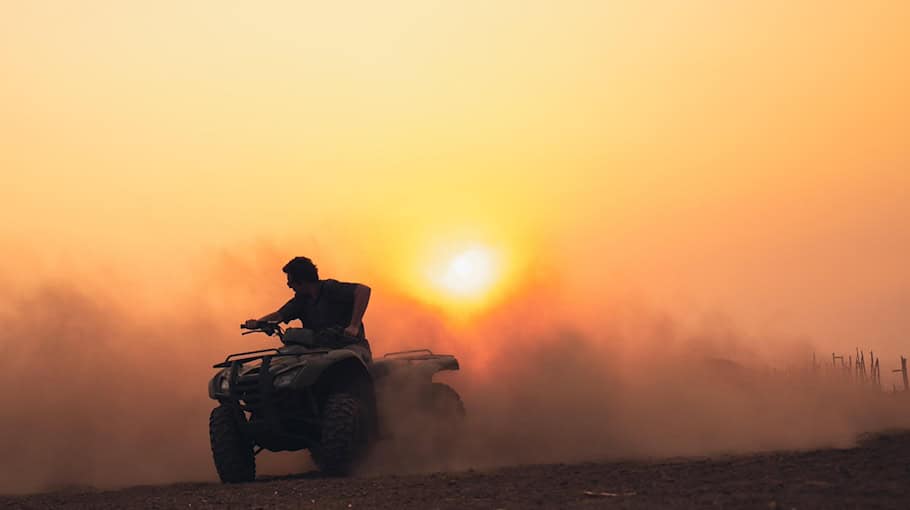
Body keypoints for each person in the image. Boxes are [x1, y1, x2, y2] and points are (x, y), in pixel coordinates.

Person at [244, 256, 372, 361]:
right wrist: (258, 323)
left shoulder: (330, 288)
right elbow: (279, 315)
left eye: (291, 281)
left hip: (350, 346)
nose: (288, 285)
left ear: (302, 280)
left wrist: (354, 326)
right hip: (318, 350)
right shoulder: (301, 300)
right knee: (284, 359)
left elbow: (363, 291)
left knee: (342, 363)